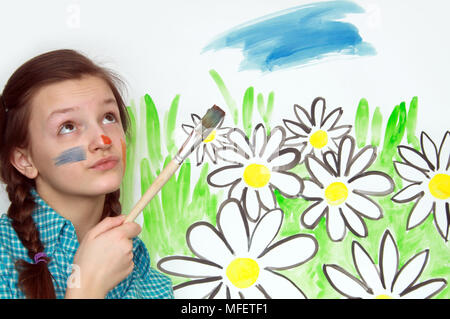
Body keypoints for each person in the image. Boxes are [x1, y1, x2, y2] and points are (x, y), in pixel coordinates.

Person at [0, 49, 174, 299]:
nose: (102, 141)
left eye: (108, 117)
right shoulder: (4, 261)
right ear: (24, 160)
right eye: (68, 126)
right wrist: (88, 286)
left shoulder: (145, 276)